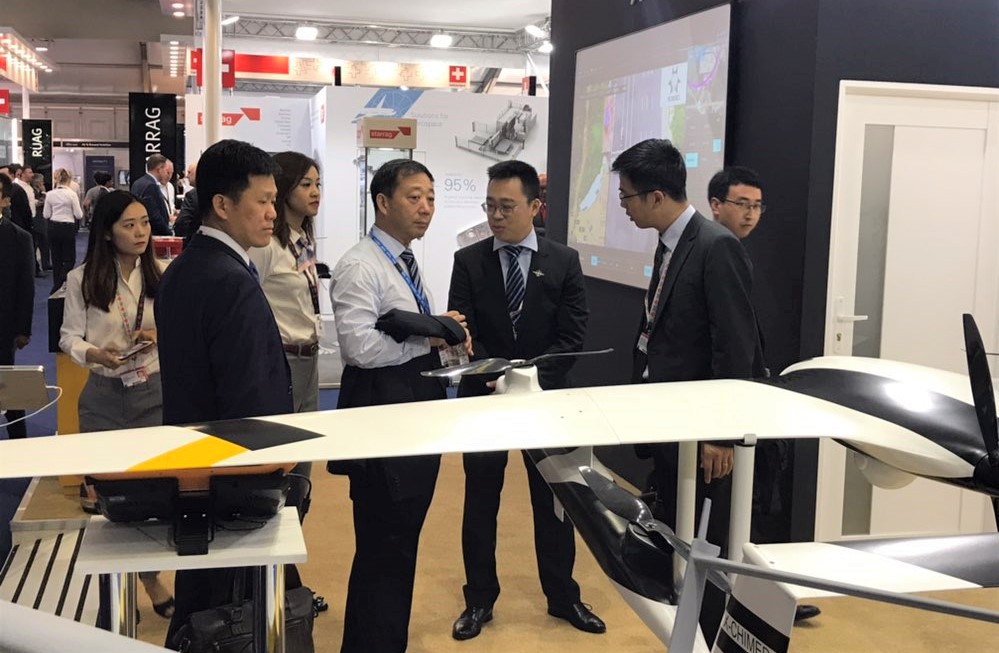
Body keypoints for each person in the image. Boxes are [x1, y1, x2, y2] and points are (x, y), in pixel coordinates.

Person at [447, 160, 602, 640]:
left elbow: (572, 337)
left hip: (546, 400)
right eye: (490, 206)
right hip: (484, 397)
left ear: (535, 207)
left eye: (506, 207)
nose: (495, 216)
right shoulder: (469, 261)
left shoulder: (564, 261)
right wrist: (496, 376)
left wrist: (526, 378)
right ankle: (479, 599)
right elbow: (464, 331)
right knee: (480, 502)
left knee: (554, 501)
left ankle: (563, 596)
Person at [612, 139, 757, 640]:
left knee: (706, 545)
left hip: (702, 431)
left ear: (656, 196)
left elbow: (735, 348)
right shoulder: (670, 243)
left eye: (627, 197)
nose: (623, 207)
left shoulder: (716, 247)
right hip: (671, 421)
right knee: (678, 535)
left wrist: (720, 434)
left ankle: (708, 636)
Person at [155, 139, 293, 647]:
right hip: (233, 477)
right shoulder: (228, 278)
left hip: (196, 466)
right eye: (263, 200)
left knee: (202, 603)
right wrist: (269, 474)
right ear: (222, 204)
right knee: (228, 616)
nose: (273, 213)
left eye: (274, 200)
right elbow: (248, 396)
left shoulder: (188, 267)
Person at [329, 158, 469, 653]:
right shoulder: (360, 265)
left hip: (412, 413)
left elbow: (405, 330)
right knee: (383, 547)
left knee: (400, 544)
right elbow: (359, 348)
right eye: (414, 197)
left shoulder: (403, 261)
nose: (426, 207)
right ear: (383, 202)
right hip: (383, 418)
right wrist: (429, 337)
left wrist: (435, 330)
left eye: (430, 197)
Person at [706, 166, 820, 624]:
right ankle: (731, 604)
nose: (751, 214)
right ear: (716, 205)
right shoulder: (718, 250)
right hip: (724, 409)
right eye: (742, 204)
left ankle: (753, 600)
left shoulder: (727, 249)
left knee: (746, 507)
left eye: (757, 206)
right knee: (727, 510)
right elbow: (725, 344)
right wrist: (723, 428)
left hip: (744, 402)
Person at [57, 189, 174, 620]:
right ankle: (126, 585)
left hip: (154, 394)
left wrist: (157, 336)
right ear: (107, 232)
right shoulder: (82, 279)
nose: (141, 232)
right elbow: (69, 337)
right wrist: (94, 353)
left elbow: (181, 329)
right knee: (109, 500)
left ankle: (147, 577)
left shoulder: (162, 274)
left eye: (145, 223)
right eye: (129, 225)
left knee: (152, 497)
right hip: (103, 398)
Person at [0, 173, 34, 440]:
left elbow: (25, 287)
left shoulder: (18, 238)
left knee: (7, 386)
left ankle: (18, 438)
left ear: (5, 200)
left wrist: (23, 329)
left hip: (3, 326)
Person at [43, 168, 84, 294]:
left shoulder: (50, 194)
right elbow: (79, 215)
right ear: (69, 180)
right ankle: (63, 282)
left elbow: (46, 214)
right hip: (67, 227)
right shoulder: (71, 194)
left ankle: (56, 286)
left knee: (56, 258)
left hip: (53, 227)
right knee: (70, 259)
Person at [130, 154, 173, 236]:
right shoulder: (151, 186)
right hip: (154, 234)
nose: (168, 175)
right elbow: (154, 215)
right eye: (165, 170)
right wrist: (168, 233)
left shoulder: (138, 183)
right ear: (159, 170)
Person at [172, 163, 199, 244]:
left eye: (189, 172)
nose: (187, 176)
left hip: (194, 243)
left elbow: (181, 223)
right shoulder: (220, 193)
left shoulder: (192, 195)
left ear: (198, 173)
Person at [30, 173, 51, 273]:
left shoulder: (37, 191)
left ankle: (46, 263)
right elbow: (39, 202)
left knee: (45, 243)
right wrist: (44, 193)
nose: (43, 183)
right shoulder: (32, 191)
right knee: (37, 243)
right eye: (41, 181)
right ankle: (36, 267)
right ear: (37, 182)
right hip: (36, 219)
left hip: (42, 219)